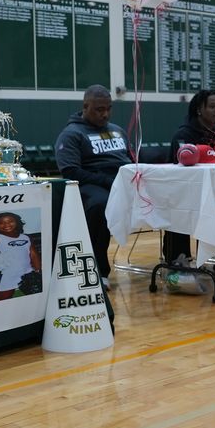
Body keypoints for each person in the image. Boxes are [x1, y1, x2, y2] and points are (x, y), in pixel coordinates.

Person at [55, 84, 130, 286]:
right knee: (101, 205)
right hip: (91, 183)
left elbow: (130, 161)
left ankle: (177, 259)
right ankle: (98, 269)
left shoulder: (118, 131)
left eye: (109, 108)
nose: (105, 114)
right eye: (99, 109)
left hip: (122, 182)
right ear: (85, 106)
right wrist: (107, 181)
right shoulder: (71, 134)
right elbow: (70, 171)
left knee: (169, 195)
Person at [164, 90, 215, 268]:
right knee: (186, 206)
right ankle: (177, 257)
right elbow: (183, 173)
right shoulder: (184, 135)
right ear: (199, 110)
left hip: (210, 191)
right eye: (212, 106)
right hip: (182, 193)